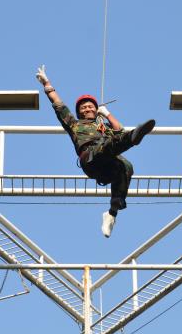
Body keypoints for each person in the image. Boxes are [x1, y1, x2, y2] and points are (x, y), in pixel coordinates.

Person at [36, 65, 155, 237]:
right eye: (83, 107)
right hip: (90, 159)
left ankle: (112, 213)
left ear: (96, 109)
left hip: (107, 166)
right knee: (107, 147)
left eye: (91, 106)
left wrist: (107, 114)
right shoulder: (74, 124)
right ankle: (133, 138)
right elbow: (58, 105)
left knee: (126, 166)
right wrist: (46, 83)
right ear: (79, 112)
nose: (87, 109)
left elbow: (119, 130)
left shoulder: (103, 127)